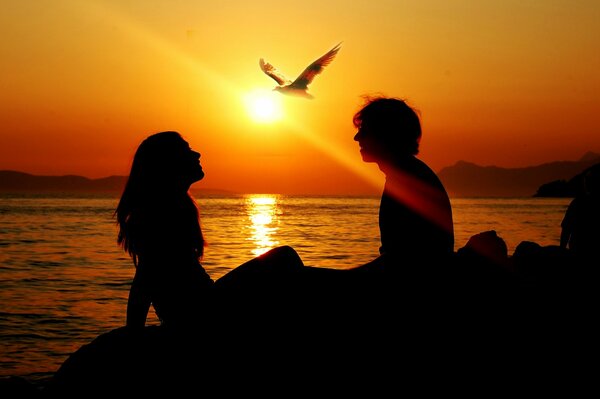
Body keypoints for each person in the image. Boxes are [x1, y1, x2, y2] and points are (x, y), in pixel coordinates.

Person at [115, 131, 304, 331]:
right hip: (199, 312)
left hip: (204, 302)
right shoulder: (160, 211)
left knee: (287, 268)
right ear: (169, 163)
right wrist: (133, 333)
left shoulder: (177, 204)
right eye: (186, 150)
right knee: (284, 258)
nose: (197, 154)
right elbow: (146, 277)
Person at [350, 96, 454, 273]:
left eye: (364, 130)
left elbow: (400, 263)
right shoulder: (406, 174)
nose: (356, 137)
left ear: (384, 134)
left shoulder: (407, 181)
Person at [560, 166, 600, 263]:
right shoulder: (577, 202)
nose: (586, 182)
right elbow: (566, 228)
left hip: (579, 250)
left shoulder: (577, 202)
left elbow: (566, 229)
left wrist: (561, 251)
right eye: (586, 180)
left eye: (588, 180)